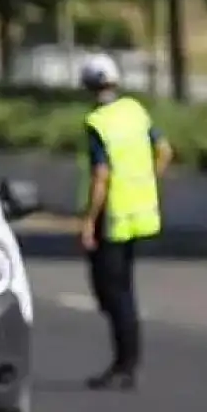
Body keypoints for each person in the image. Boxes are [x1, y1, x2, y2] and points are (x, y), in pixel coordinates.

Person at [77, 54, 172, 391]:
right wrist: (146, 182)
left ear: (87, 86)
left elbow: (101, 175)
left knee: (113, 293)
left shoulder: (98, 122)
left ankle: (125, 364)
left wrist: (88, 221)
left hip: (112, 216)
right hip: (138, 213)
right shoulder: (134, 110)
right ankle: (127, 362)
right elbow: (164, 150)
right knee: (124, 290)